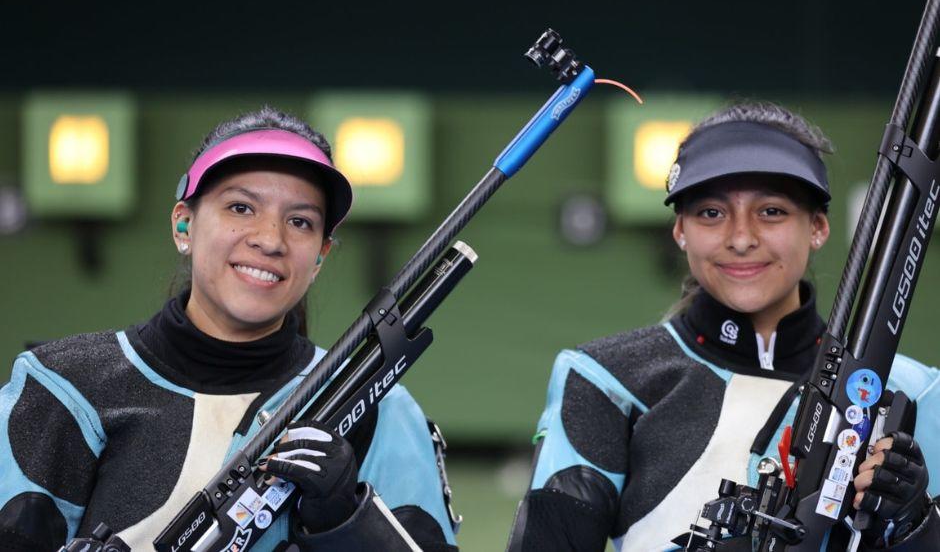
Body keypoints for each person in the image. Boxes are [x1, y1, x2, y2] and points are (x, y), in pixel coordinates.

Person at [0, 107, 460, 551]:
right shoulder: (63, 389)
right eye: (241, 208)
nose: (271, 239)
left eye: (300, 222)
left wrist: (346, 522)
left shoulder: (375, 404)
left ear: (320, 256)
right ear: (184, 224)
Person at [506, 102, 940, 551]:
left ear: (817, 227)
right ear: (680, 231)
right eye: (712, 213)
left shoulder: (913, 390)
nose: (741, 238)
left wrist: (916, 523)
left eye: (771, 211)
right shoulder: (605, 379)